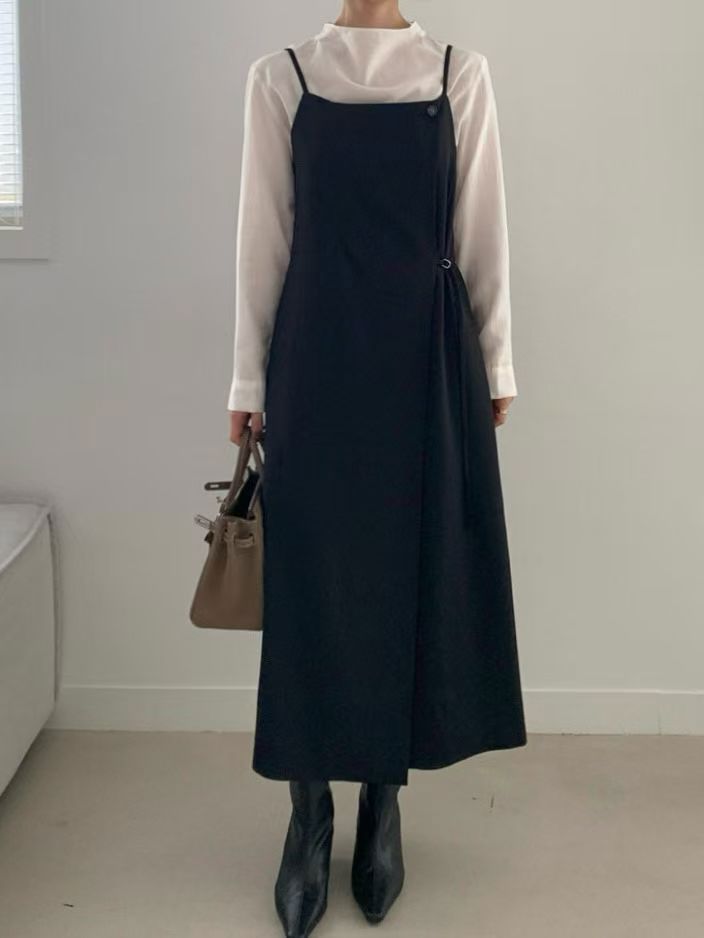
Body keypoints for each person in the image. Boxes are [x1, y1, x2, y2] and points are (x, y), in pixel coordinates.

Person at [227, 5, 527, 936]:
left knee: (407, 572)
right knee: (314, 581)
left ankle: (382, 800)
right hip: (316, 353)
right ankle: (308, 813)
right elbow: (264, 237)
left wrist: (496, 362)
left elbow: (481, 227)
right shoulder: (281, 76)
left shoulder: (457, 74)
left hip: (424, 353)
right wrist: (246, 378)